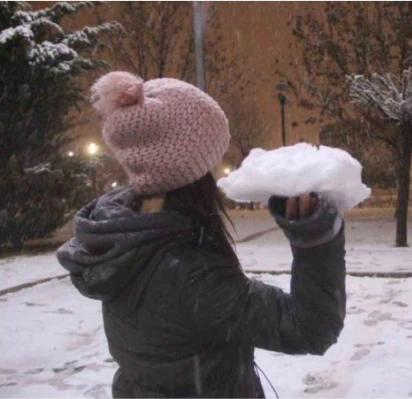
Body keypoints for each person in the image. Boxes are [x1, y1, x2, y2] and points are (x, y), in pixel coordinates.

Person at [57, 71, 346, 398]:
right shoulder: (190, 275)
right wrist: (317, 240)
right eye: (211, 159)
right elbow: (309, 328)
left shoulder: (123, 239)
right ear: (191, 171)